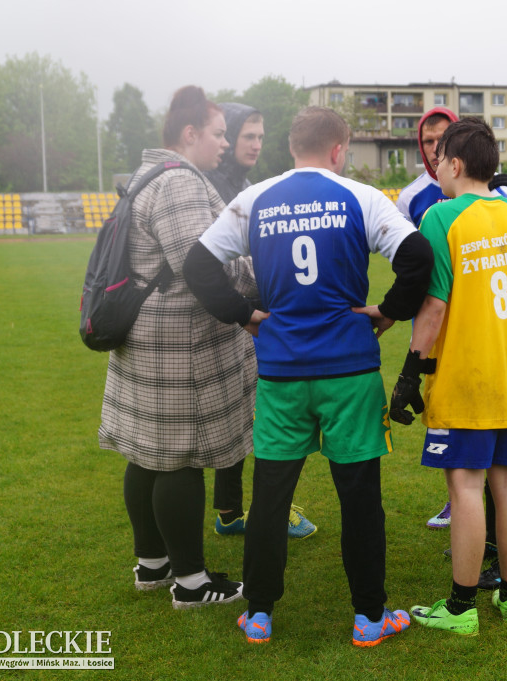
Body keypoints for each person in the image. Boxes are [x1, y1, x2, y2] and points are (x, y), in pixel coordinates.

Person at [183, 106, 433, 647]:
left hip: (281, 374)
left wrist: (246, 315)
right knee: (360, 497)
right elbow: (418, 255)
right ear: (339, 150)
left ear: (290, 147)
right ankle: (370, 618)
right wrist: (387, 312)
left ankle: (259, 616)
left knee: (270, 497)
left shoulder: (254, 200)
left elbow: (197, 266)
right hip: (349, 372)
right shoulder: (361, 196)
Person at [389, 118, 507, 635]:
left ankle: (462, 609)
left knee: (465, 485)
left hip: (465, 377)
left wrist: (407, 372)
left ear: (456, 164)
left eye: (438, 159)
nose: (435, 167)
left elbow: (435, 306)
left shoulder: (442, 219)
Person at [98, 85, 252, 610]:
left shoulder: (150, 175)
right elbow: (200, 263)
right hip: (178, 343)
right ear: (190, 135)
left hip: (146, 334)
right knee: (179, 458)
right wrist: (253, 275)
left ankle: (153, 562)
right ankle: (191, 582)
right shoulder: (181, 182)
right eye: (218, 133)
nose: (225, 144)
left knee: (147, 454)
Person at [202, 102, 316, 541]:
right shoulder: (213, 186)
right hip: (232, 315)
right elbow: (214, 261)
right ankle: (255, 508)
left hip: (250, 312)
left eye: (260, 137)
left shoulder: (245, 185)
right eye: (246, 135)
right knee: (259, 415)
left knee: (246, 412)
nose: (253, 144)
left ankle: (231, 510)